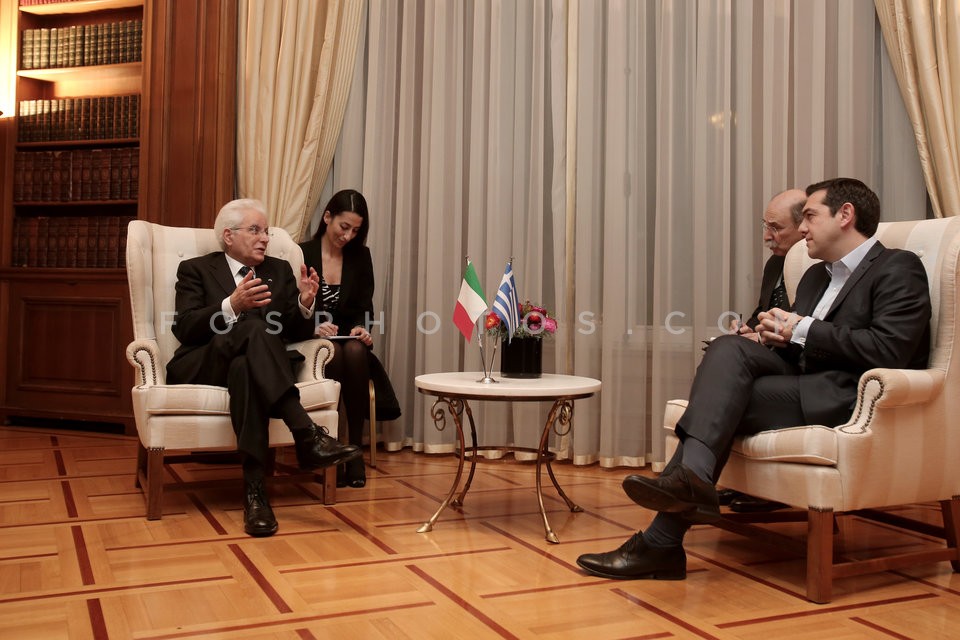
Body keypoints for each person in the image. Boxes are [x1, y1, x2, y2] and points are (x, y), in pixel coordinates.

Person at [577, 177, 931, 580]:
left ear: (845, 215)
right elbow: (803, 346)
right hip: (800, 380)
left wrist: (800, 328)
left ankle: (664, 536)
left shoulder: (897, 267)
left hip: (845, 396)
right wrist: (772, 336)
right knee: (729, 348)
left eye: (811, 216)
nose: (802, 228)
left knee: (722, 402)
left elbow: (889, 350)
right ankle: (685, 488)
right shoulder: (816, 276)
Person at [166, 198, 361, 538]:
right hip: (205, 361)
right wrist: (231, 305)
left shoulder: (279, 270)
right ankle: (306, 433)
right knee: (253, 326)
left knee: (246, 367)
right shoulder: (196, 269)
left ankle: (256, 495)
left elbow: (292, 333)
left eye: (266, 231)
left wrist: (304, 302)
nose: (265, 238)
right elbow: (185, 328)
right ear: (229, 235)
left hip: (252, 367)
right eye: (255, 230)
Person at [300, 189, 401, 489]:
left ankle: (353, 448)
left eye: (356, 231)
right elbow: (288, 308)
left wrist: (361, 327)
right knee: (336, 353)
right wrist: (314, 328)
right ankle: (331, 446)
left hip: (348, 339)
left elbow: (363, 308)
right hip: (312, 341)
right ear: (327, 217)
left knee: (355, 350)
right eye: (344, 227)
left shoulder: (360, 256)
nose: (348, 236)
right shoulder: (301, 253)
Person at [720, 188, 806, 513]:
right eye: (764, 226)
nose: (767, 237)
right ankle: (744, 482)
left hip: (797, 367)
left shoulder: (820, 267)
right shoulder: (775, 266)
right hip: (769, 358)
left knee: (737, 379)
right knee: (726, 355)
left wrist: (765, 338)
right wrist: (747, 331)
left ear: (804, 225)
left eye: (776, 228)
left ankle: (768, 490)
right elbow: (761, 312)